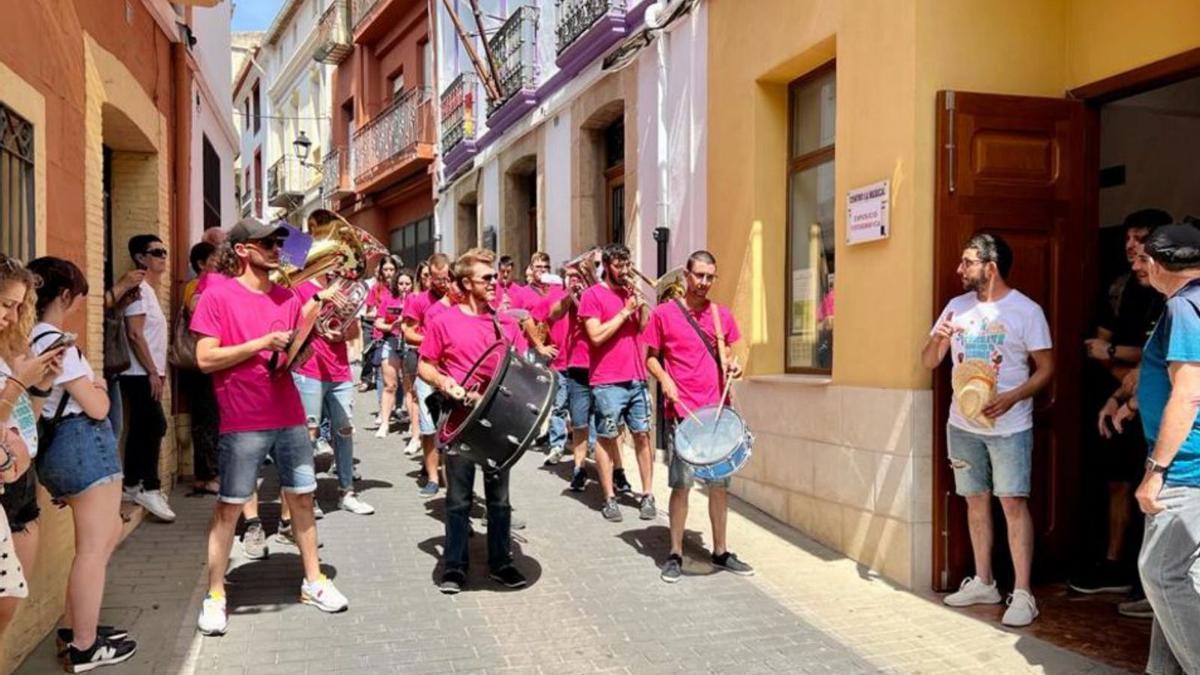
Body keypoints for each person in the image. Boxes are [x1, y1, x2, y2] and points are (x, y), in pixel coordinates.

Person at [191, 217, 348, 636]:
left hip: (289, 414)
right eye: (267, 242)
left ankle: (313, 581)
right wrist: (259, 344)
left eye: (279, 242)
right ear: (242, 250)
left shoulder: (289, 296)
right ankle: (216, 594)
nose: (278, 249)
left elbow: (291, 360)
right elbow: (205, 359)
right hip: (243, 419)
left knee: (302, 498)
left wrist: (316, 328)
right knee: (229, 507)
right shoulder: (217, 295)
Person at [921, 233, 1053, 627]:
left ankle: (1024, 592)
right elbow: (929, 362)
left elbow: (1046, 369)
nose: (959, 269)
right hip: (961, 426)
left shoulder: (1026, 311)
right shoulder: (955, 308)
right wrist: (938, 340)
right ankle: (984, 581)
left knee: (1013, 503)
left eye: (968, 262)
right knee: (974, 500)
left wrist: (1012, 397)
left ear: (990, 268)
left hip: (1010, 425)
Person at [28, 257, 138, 670]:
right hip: (84, 445)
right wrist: (99, 389)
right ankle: (85, 645)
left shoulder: (27, 337)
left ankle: (76, 629)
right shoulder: (56, 340)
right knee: (93, 549)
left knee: (104, 534)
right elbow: (96, 406)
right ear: (64, 295)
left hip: (58, 449)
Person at [1107, 223, 1200, 675]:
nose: (1139, 267)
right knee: (1180, 581)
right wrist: (1131, 403)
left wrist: (1158, 469)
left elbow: (1187, 392)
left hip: (1184, 466)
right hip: (1186, 462)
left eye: (1144, 259)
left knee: (1161, 574)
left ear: (1160, 265)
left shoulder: (1184, 307)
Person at [1073, 209, 1170, 600]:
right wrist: (1124, 392)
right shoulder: (1119, 287)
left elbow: (1157, 357)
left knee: (1157, 488)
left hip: (1158, 406)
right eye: (1128, 238)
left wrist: (1122, 364)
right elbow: (1097, 348)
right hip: (1124, 403)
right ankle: (1118, 567)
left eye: (1141, 238)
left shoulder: (1173, 298)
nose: (1132, 247)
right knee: (1120, 484)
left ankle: (1154, 583)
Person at [417, 248, 526, 594]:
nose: (496, 282)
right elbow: (424, 364)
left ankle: (501, 562)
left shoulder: (504, 322)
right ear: (466, 283)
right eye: (487, 278)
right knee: (459, 500)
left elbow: (519, 368)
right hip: (460, 420)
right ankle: (454, 566)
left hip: (498, 421)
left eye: (495, 277)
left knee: (499, 499)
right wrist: (444, 383)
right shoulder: (443, 321)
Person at [644, 250, 756, 583]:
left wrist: (735, 366)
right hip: (684, 414)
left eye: (710, 277)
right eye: (699, 276)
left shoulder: (721, 315)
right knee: (682, 486)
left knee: (719, 487)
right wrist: (665, 381)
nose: (704, 283)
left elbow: (734, 355)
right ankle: (675, 552)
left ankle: (720, 550)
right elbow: (651, 358)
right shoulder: (664, 314)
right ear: (686, 276)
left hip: (718, 415)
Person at [0, 255, 65, 641]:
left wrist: (40, 384)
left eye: (19, 306)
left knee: (8, 606)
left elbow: (22, 418)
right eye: (7, 303)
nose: (12, 315)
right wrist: (18, 384)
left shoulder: (5, 350)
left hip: (21, 483)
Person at [578, 243, 655, 522]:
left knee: (643, 435)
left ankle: (647, 494)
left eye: (627, 265)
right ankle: (609, 497)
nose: (624, 271)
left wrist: (642, 305)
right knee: (607, 437)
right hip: (607, 380)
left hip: (636, 377)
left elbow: (644, 328)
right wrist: (624, 312)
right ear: (607, 266)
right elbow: (596, 336)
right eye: (619, 266)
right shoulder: (592, 296)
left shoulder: (630, 294)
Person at [118, 234, 176, 522]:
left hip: (148, 371)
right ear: (141, 258)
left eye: (164, 252)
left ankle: (131, 484)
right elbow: (134, 333)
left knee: (144, 426)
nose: (163, 257)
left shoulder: (150, 290)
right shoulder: (138, 289)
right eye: (156, 252)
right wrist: (153, 371)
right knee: (155, 424)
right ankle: (149, 486)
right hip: (138, 372)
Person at [402, 253, 456, 498]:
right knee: (427, 428)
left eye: (446, 278)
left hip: (452, 370)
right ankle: (433, 478)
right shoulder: (419, 301)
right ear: (429, 276)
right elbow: (408, 333)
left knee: (451, 427)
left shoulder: (457, 299)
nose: (443, 283)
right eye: (437, 278)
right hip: (427, 366)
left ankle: (449, 475)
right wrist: (435, 341)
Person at [535, 266, 591, 484]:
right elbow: (540, 317)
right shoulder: (559, 297)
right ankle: (558, 444)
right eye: (572, 277)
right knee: (560, 406)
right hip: (561, 361)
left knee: (588, 413)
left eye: (579, 276)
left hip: (584, 362)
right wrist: (541, 346)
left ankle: (591, 450)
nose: (576, 280)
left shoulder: (592, 295)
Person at [182, 242, 222, 496]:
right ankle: (207, 475)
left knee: (210, 419)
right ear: (200, 264)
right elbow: (196, 310)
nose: (219, 262)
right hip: (201, 363)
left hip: (209, 363)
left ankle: (206, 474)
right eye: (214, 258)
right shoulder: (193, 287)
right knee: (207, 420)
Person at [372, 258, 410, 441]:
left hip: (410, 345)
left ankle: (414, 425)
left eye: (407, 283)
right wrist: (391, 326)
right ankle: (385, 422)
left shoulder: (416, 300)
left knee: (411, 388)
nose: (404, 287)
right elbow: (378, 321)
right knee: (390, 385)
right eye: (401, 283)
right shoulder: (390, 299)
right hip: (392, 342)